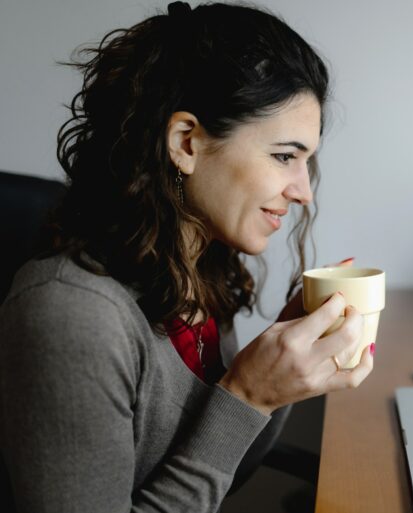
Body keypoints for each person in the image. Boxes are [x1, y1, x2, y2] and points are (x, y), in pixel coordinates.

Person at [0, 2, 374, 511]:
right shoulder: (71, 314)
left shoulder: (196, 269)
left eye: (307, 161)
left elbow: (226, 467)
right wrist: (248, 394)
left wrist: (278, 367)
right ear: (186, 143)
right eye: (285, 156)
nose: (303, 191)